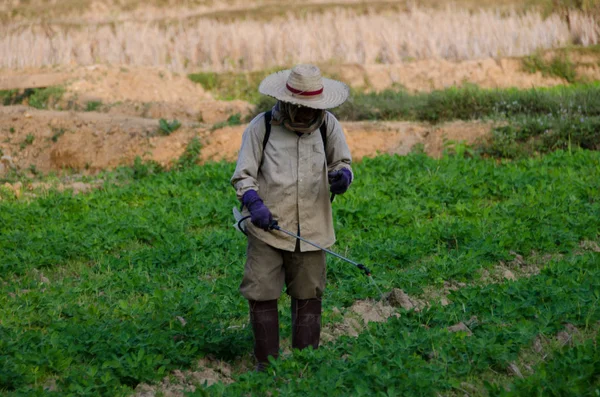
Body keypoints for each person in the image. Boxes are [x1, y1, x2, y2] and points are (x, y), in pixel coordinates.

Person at [231, 64, 353, 371]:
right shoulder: (262, 127)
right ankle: (265, 365)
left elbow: (342, 162)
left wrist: (342, 177)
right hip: (266, 230)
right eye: (299, 108)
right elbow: (243, 176)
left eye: (310, 109)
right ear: (287, 102)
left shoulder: (329, 126)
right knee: (261, 292)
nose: (303, 114)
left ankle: (304, 365)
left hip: (312, 232)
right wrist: (253, 203)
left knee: (308, 294)